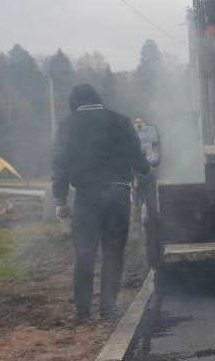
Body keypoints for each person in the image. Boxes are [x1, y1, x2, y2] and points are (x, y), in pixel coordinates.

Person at [52, 84, 151, 323]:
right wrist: (148, 168)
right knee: (113, 253)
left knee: (84, 253)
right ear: (99, 99)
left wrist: (60, 200)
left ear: (74, 103)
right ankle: (108, 308)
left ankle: (83, 311)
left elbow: (60, 165)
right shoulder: (121, 121)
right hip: (118, 194)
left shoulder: (67, 125)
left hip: (86, 196)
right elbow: (138, 160)